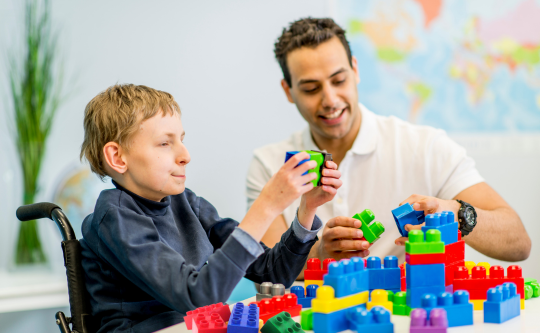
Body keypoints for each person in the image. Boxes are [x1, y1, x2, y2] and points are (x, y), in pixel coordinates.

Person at [246, 18, 531, 271]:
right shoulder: (270, 164)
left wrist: (454, 214)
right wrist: (318, 254)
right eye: (311, 88)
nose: (330, 99)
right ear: (288, 91)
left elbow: (518, 242)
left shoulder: (426, 146)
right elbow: (266, 268)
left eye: (339, 80)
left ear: (355, 70)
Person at [78, 84, 342, 332]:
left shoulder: (186, 203)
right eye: (164, 143)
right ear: (117, 157)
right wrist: (267, 206)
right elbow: (197, 297)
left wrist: (307, 207)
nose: (185, 155)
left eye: (181, 139)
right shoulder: (114, 217)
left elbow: (273, 274)